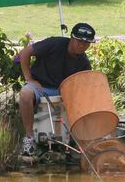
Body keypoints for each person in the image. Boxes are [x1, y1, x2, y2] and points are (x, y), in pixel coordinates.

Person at [18, 23, 96, 156]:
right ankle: (29, 138)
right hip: (39, 86)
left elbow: (83, 87)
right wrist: (29, 78)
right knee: (25, 94)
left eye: (86, 43)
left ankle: (78, 138)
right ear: (72, 38)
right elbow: (25, 53)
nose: (82, 45)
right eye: (79, 41)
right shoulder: (54, 43)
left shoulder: (84, 63)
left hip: (63, 91)